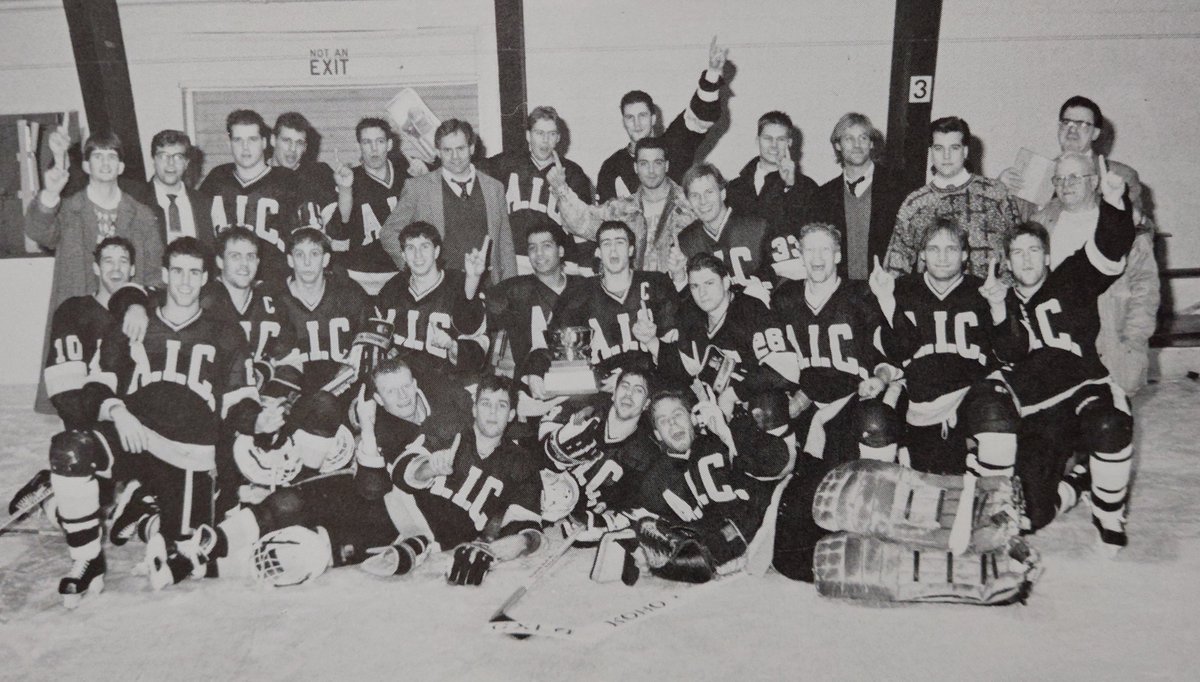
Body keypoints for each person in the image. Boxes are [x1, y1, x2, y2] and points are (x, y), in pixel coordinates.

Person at [150, 369, 571, 588]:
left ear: (513, 413)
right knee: (286, 504)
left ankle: (201, 568)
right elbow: (407, 471)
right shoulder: (448, 430)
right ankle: (195, 548)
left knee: (302, 555)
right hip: (386, 497)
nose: (493, 412)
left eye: (502, 405)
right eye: (486, 403)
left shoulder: (520, 464)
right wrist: (432, 467)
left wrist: (492, 550)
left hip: (405, 527)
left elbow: (529, 533)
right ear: (473, 407)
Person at [45, 237, 276, 607]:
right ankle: (87, 559)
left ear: (206, 279)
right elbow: (95, 387)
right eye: (178, 272)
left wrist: (260, 421)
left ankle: (140, 504)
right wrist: (118, 412)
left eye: (194, 273)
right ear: (165, 275)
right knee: (71, 449)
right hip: (134, 432)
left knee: (183, 549)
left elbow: (238, 400)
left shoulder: (225, 332)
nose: (185, 282)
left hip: (189, 451)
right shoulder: (134, 322)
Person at [993, 158, 1136, 554]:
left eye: (1034, 250)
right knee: (1031, 513)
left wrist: (1113, 202)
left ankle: (1110, 515)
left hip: (1083, 391)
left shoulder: (1070, 278)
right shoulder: (999, 301)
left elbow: (1108, 247)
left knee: (1109, 424)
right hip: (1041, 413)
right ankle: (1079, 483)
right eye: (1017, 253)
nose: (1026, 259)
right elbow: (1005, 353)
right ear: (1006, 263)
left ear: (1048, 256)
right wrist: (997, 312)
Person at [867, 223, 1022, 476]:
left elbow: (1012, 353)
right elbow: (896, 352)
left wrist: (999, 308)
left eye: (951, 249)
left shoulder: (985, 290)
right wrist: (886, 300)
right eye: (934, 249)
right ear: (922, 255)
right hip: (920, 405)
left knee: (994, 409)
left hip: (971, 404)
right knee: (874, 421)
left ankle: (997, 495)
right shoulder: (900, 290)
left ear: (964, 255)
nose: (942, 257)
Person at [631, 388, 790, 582]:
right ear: (657, 434)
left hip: (771, 524)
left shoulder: (721, 440)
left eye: (678, 414)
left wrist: (726, 433)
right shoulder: (656, 479)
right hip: (720, 547)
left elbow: (779, 462)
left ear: (693, 419)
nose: (672, 423)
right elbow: (646, 524)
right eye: (663, 421)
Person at [1032, 153, 1159, 395]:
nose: (1065, 184)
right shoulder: (1040, 223)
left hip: (1111, 344)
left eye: (1074, 177)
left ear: (1093, 182)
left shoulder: (1125, 223)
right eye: (1058, 179)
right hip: (1058, 347)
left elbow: (1146, 289)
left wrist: (1133, 341)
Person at [525, 221, 679, 396]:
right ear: (598, 252)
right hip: (601, 392)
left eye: (620, 242)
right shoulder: (579, 294)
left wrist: (629, 378)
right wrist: (535, 370)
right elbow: (553, 344)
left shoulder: (657, 284)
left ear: (631, 250)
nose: (613, 250)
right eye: (606, 243)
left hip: (653, 388)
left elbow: (677, 353)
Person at [380, 119, 517, 283]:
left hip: (488, 288)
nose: (455, 157)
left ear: (471, 148)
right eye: (447, 150)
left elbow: (505, 244)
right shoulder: (418, 187)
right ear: (438, 151)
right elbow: (389, 233)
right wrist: (415, 269)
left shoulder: (494, 188)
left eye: (460, 149)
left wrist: (511, 287)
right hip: (439, 291)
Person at [884, 117, 1020, 279]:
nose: (946, 156)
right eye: (939, 148)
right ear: (931, 151)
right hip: (935, 300)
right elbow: (895, 264)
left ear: (965, 151)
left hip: (991, 299)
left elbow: (1018, 247)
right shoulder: (915, 203)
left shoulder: (996, 194)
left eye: (954, 148)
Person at [596, 36, 727, 202]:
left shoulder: (675, 143)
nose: (637, 124)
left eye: (642, 116)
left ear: (653, 118)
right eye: (630, 117)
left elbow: (700, 116)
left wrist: (713, 74)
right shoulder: (612, 166)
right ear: (623, 121)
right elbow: (605, 220)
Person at [539, 366, 661, 539]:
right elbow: (536, 450)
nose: (628, 394)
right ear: (613, 393)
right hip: (539, 496)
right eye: (625, 386)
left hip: (578, 524)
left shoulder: (645, 453)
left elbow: (631, 507)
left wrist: (604, 524)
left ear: (647, 404)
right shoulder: (584, 411)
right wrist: (559, 443)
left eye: (638, 390)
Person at [550, 136, 697, 274]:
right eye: (644, 163)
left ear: (666, 166)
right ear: (635, 168)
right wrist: (562, 190)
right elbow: (582, 222)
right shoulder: (622, 210)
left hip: (679, 292)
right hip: (634, 294)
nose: (651, 170)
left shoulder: (691, 205)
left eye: (657, 162)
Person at [374, 221, 489, 387]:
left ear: (437, 251)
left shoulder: (459, 285)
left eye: (424, 246)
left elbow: (477, 348)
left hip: (447, 384)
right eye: (410, 248)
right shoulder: (393, 288)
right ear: (404, 255)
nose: (418, 255)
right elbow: (376, 338)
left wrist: (452, 345)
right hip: (401, 383)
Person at [482, 106, 595, 271]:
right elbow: (467, 171)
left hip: (558, 263)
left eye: (551, 134)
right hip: (514, 259)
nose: (545, 140)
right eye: (539, 133)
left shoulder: (573, 172)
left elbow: (584, 227)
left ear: (558, 138)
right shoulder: (505, 163)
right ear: (528, 135)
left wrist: (563, 189)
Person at [199, 109, 303, 284]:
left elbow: (305, 242)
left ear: (264, 142)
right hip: (223, 286)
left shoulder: (287, 181)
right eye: (238, 140)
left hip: (275, 286)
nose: (245, 147)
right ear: (229, 143)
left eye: (252, 139)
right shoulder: (216, 179)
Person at [807, 113, 908, 281]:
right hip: (840, 291)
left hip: (888, 288)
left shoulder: (897, 188)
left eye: (863, 138)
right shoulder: (823, 196)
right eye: (849, 139)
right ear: (838, 145)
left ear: (871, 144)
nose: (857, 145)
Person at [484, 224, 585, 388]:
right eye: (532, 248)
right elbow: (478, 316)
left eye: (546, 246)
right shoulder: (514, 290)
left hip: (578, 382)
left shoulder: (583, 287)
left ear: (560, 251)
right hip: (529, 385)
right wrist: (474, 280)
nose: (539, 254)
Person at [274, 227, 372, 393]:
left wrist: (352, 367)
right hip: (291, 395)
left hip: (343, 391)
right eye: (299, 254)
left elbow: (371, 342)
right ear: (290, 260)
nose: (307, 262)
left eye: (314, 254)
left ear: (326, 259)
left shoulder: (349, 295)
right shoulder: (273, 301)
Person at [327, 117, 407, 294]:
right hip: (360, 275)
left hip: (400, 274)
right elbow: (339, 230)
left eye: (379, 141)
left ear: (389, 144)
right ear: (358, 147)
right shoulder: (348, 178)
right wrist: (345, 190)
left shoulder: (407, 178)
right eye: (367, 142)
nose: (374, 149)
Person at [675, 163, 772, 297]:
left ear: (723, 193)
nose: (703, 201)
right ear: (688, 202)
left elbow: (783, 281)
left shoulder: (757, 227)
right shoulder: (686, 241)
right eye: (695, 195)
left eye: (709, 192)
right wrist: (679, 277)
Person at [724, 111, 818, 241]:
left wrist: (791, 187)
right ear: (757, 140)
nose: (774, 145)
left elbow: (807, 233)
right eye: (767, 138)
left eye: (780, 139)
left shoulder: (807, 186)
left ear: (789, 142)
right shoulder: (734, 187)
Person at [129, 130, 215, 254]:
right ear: (154, 159)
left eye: (178, 157)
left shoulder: (203, 203)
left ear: (186, 163)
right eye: (163, 156)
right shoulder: (136, 202)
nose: (170, 163)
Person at [270, 112, 337, 229]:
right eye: (286, 140)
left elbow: (337, 229)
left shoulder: (319, 174)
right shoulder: (257, 175)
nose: (292, 149)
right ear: (273, 140)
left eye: (299, 143)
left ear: (305, 147)